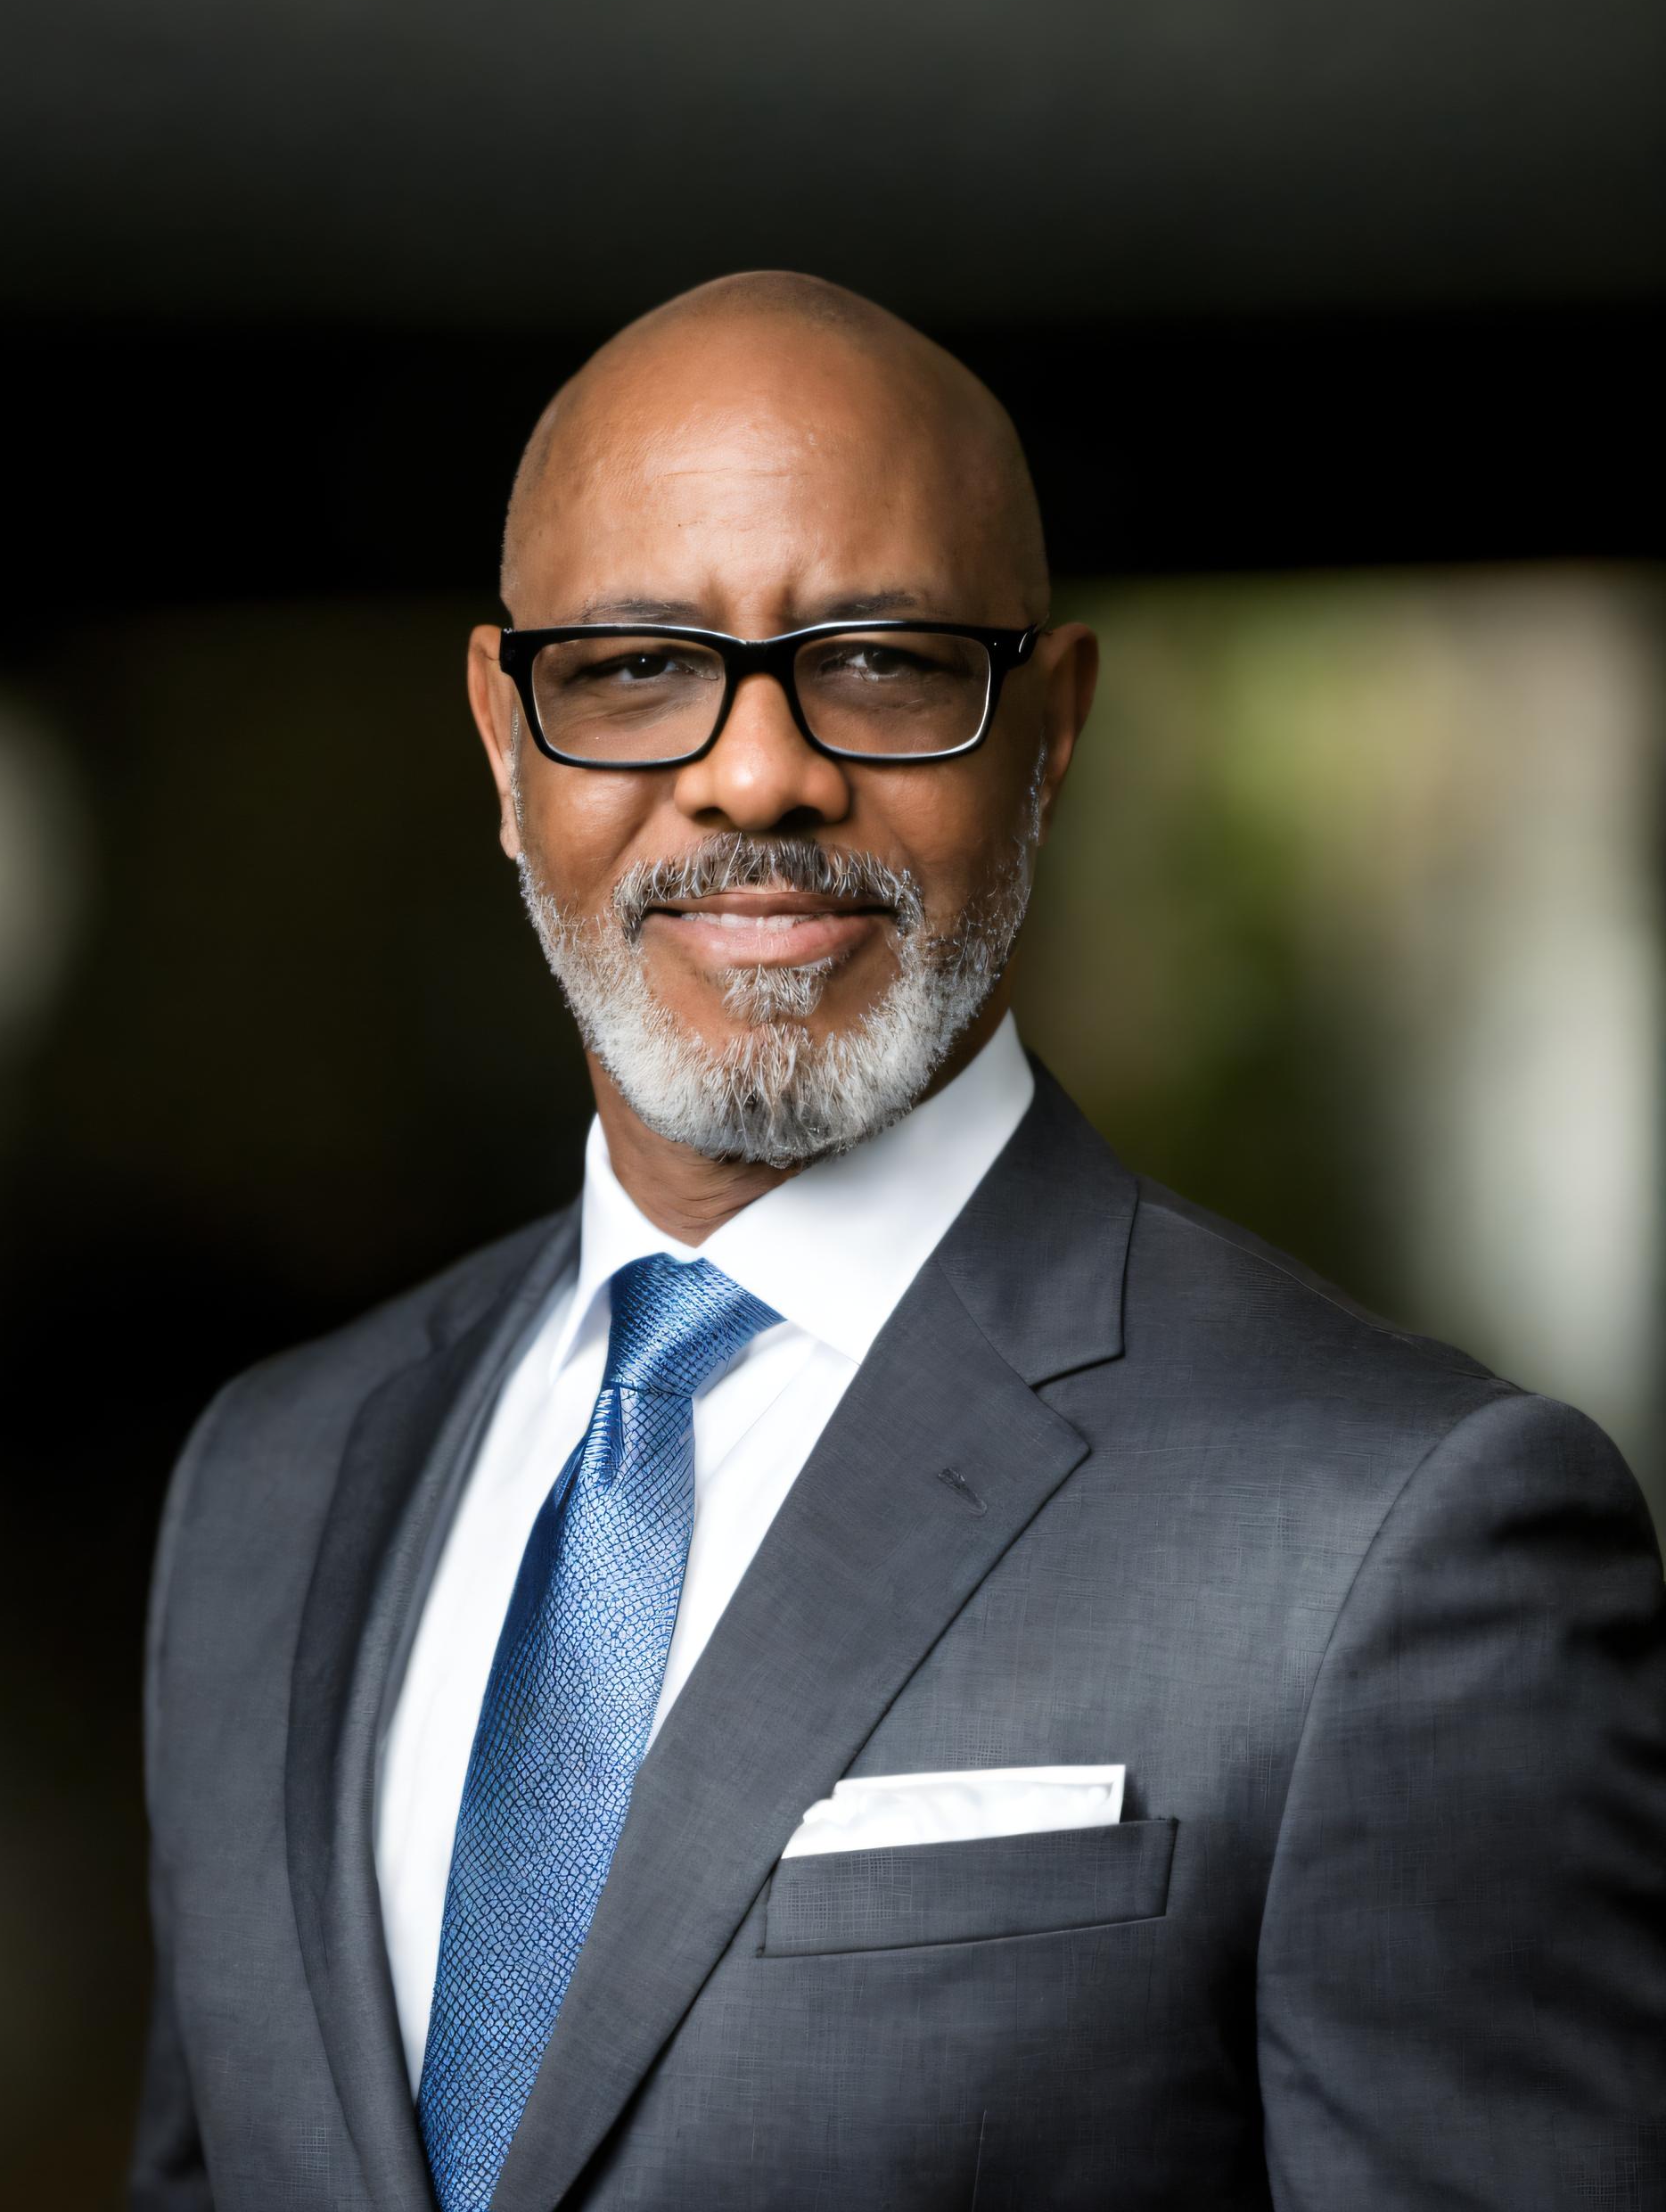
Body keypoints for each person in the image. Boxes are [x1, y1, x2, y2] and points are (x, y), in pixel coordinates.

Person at [131, 273, 1666, 2212]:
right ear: (501, 742)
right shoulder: (265, 1485)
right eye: (627, 667)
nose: (755, 771)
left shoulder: (1396, 1533)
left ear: (1053, 726)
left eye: (875, 659)